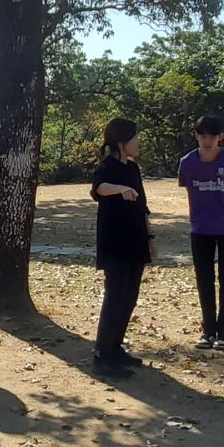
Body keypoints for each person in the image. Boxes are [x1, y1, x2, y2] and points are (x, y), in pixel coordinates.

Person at [89, 118, 153, 376]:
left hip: (136, 242)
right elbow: (98, 189)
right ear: (120, 142)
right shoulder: (106, 167)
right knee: (114, 298)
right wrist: (120, 189)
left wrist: (150, 238)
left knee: (129, 297)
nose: (138, 142)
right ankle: (102, 354)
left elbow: (143, 205)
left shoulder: (133, 168)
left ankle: (116, 348)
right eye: (134, 137)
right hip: (115, 244)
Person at [178, 116, 224, 348]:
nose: (207, 141)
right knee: (204, 279)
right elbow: (189, 191)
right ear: (196, 135)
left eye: (213, 136)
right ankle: (208, 330)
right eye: (203, 135)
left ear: (220, 137)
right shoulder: (187, 162)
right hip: (200, 227)